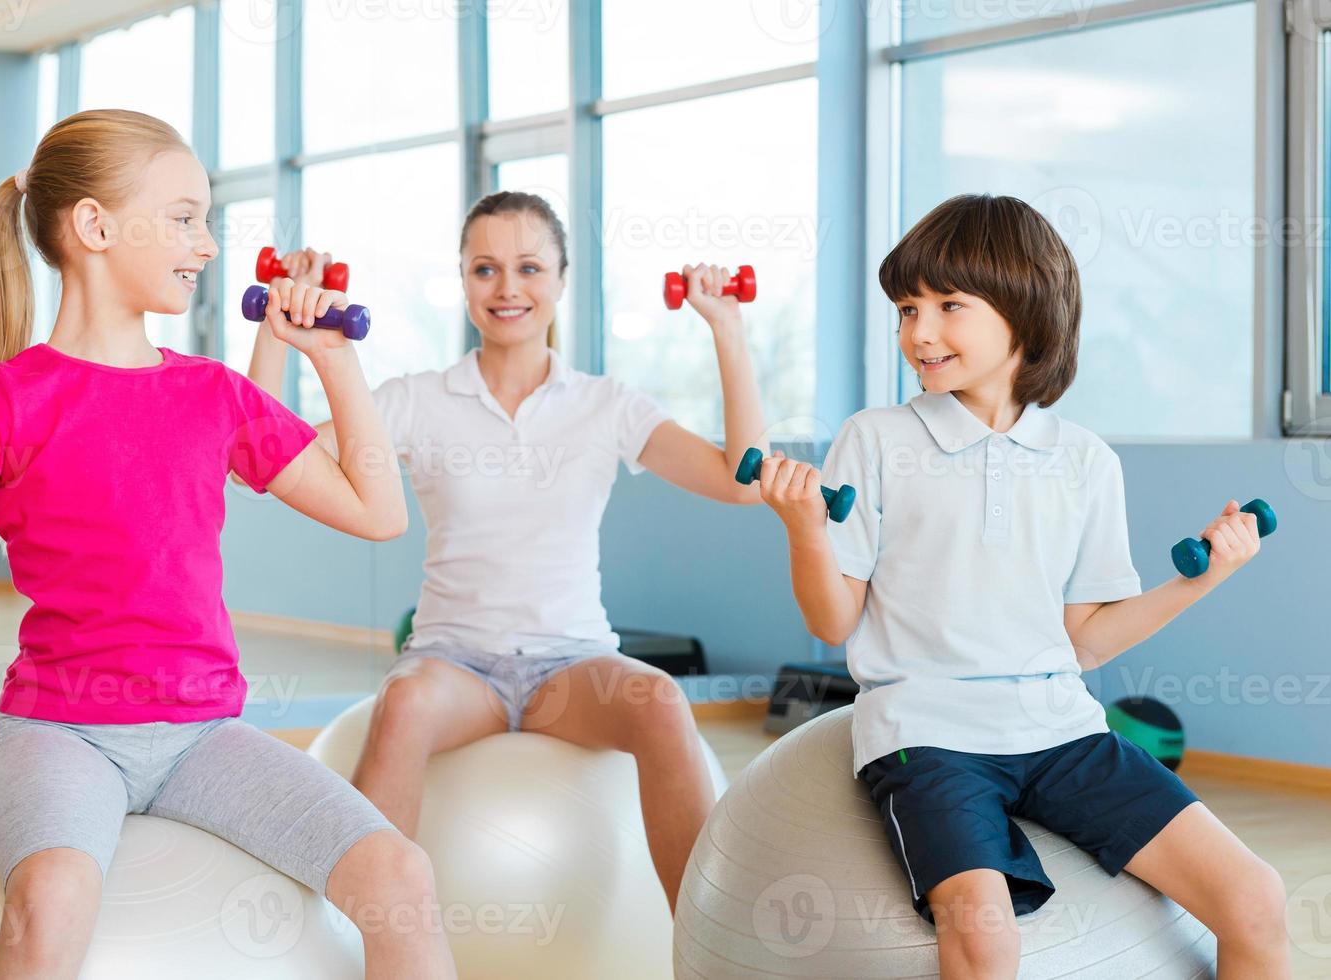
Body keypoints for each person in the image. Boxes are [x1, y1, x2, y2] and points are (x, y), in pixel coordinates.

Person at [0, 108, 455, 979]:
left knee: (400, 874)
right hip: (60, 733)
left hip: (202, 738)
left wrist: (335, 359)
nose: (207, 245)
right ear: (95, 226)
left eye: (206, 220)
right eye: (183, 217)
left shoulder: (214, 394)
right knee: (54, 897)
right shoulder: (2, 398)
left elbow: (378, 511)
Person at [757, 193, 1289, 977]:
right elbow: (833, 620)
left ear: (1025, 314)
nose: (919, 331)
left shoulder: (1084, 461)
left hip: (1059, 729)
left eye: (947, 305)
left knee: (1256, 898)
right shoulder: (875, 438)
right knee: (981, 929)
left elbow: (1085, 638)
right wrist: (805, 529)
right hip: (925, 733)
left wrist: (1207, 579)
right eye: (906, 309)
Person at [248, 190, 769, 908]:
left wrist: (727, 331)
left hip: (573, 663)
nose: (507, 289)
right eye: (485, 269)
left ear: (559, 280)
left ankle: (712, 945)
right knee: (400, 705)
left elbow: (741, 482)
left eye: (528, 267)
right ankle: (360, 941)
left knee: (656, 698)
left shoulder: (605, 402)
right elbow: (269, 460)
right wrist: (277, 327)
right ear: (463, 282)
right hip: (453, 664)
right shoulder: (414, 398)